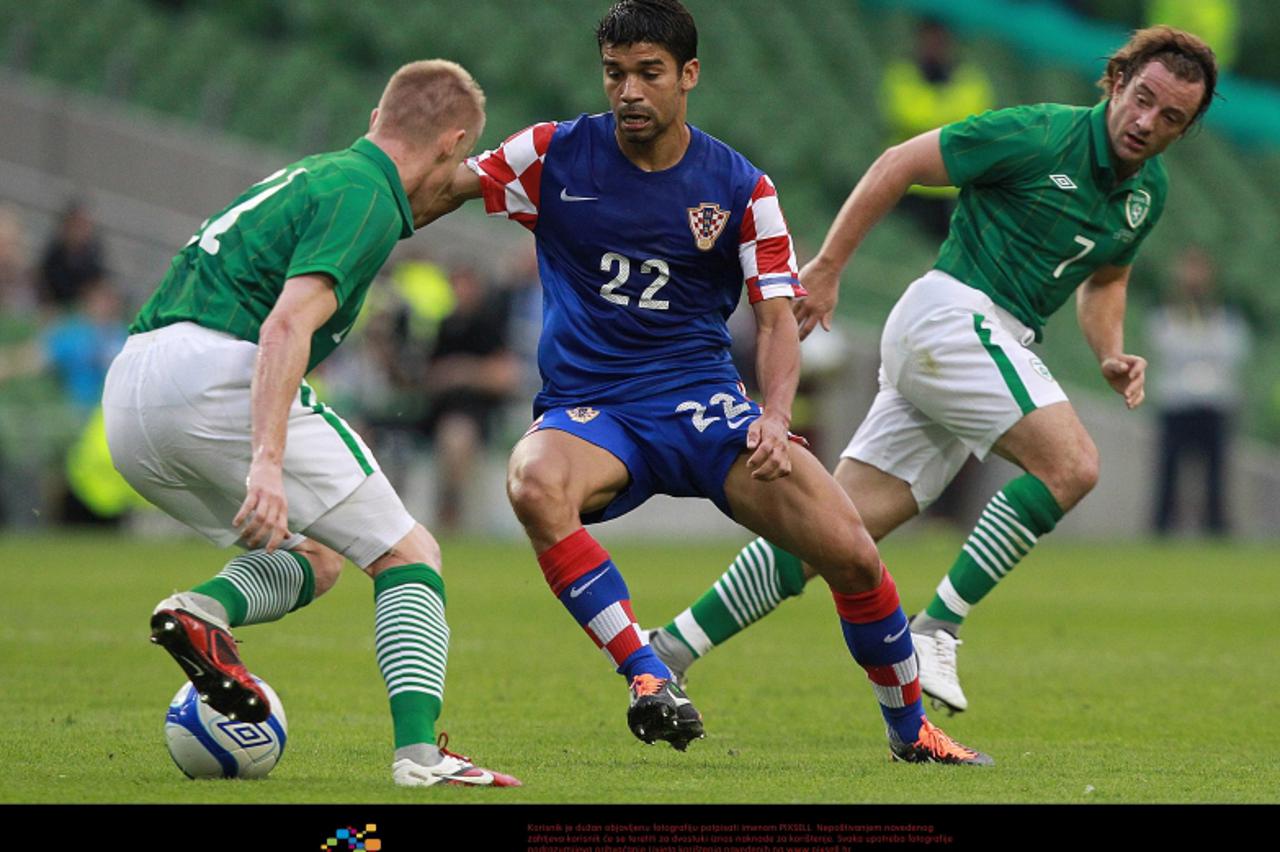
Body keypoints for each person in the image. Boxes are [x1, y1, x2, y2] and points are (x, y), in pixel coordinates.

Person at [433, 0, 989, 764]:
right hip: (596, 412)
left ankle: (912, 732)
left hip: (704, 408)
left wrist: (776, 413)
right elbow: (439, 191)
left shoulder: (739, 187)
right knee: (533, 482)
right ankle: (647, 673)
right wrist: (368, 197)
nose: (629, 91)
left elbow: (778, 317)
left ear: (687, 76)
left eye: (648, 74)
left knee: (854, 554)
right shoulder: (552, 155)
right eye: (615, 74)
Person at [649, 26, 1217, 716]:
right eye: (1143, 98)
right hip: (952, 315)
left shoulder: (1145, 193)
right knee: (1072, 465)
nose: (1147, 121)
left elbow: (1106, 280)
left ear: (1184, 132)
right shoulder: (1039, 133)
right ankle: (938, 628)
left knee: (835, 533)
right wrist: (826, 267)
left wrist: (1108, 351)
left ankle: (670, 649)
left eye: (1170, 118)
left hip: (978, 341)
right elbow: (899, 163)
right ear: (1119, 80)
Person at [101, 60, 519, 788]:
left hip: (133, 396)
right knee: (409, 554)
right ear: (452, 141)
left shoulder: (330, 174)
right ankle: (421, 759)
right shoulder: (366, 197)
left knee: (320, 557)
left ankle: (200, 610)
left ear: (374, 121)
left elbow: (427, 195)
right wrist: (267, 459)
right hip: (216, 377)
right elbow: (287, 324)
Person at [1147, 246, 1250, 536]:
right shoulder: (1166, 313)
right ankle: (1162, 527)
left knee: (1216, 472)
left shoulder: (1224, 314)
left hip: (1214, 402)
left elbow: (1232, 350)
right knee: (1168, 469)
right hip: (1176, 402)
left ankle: (1215, 527)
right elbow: (1167, 347)